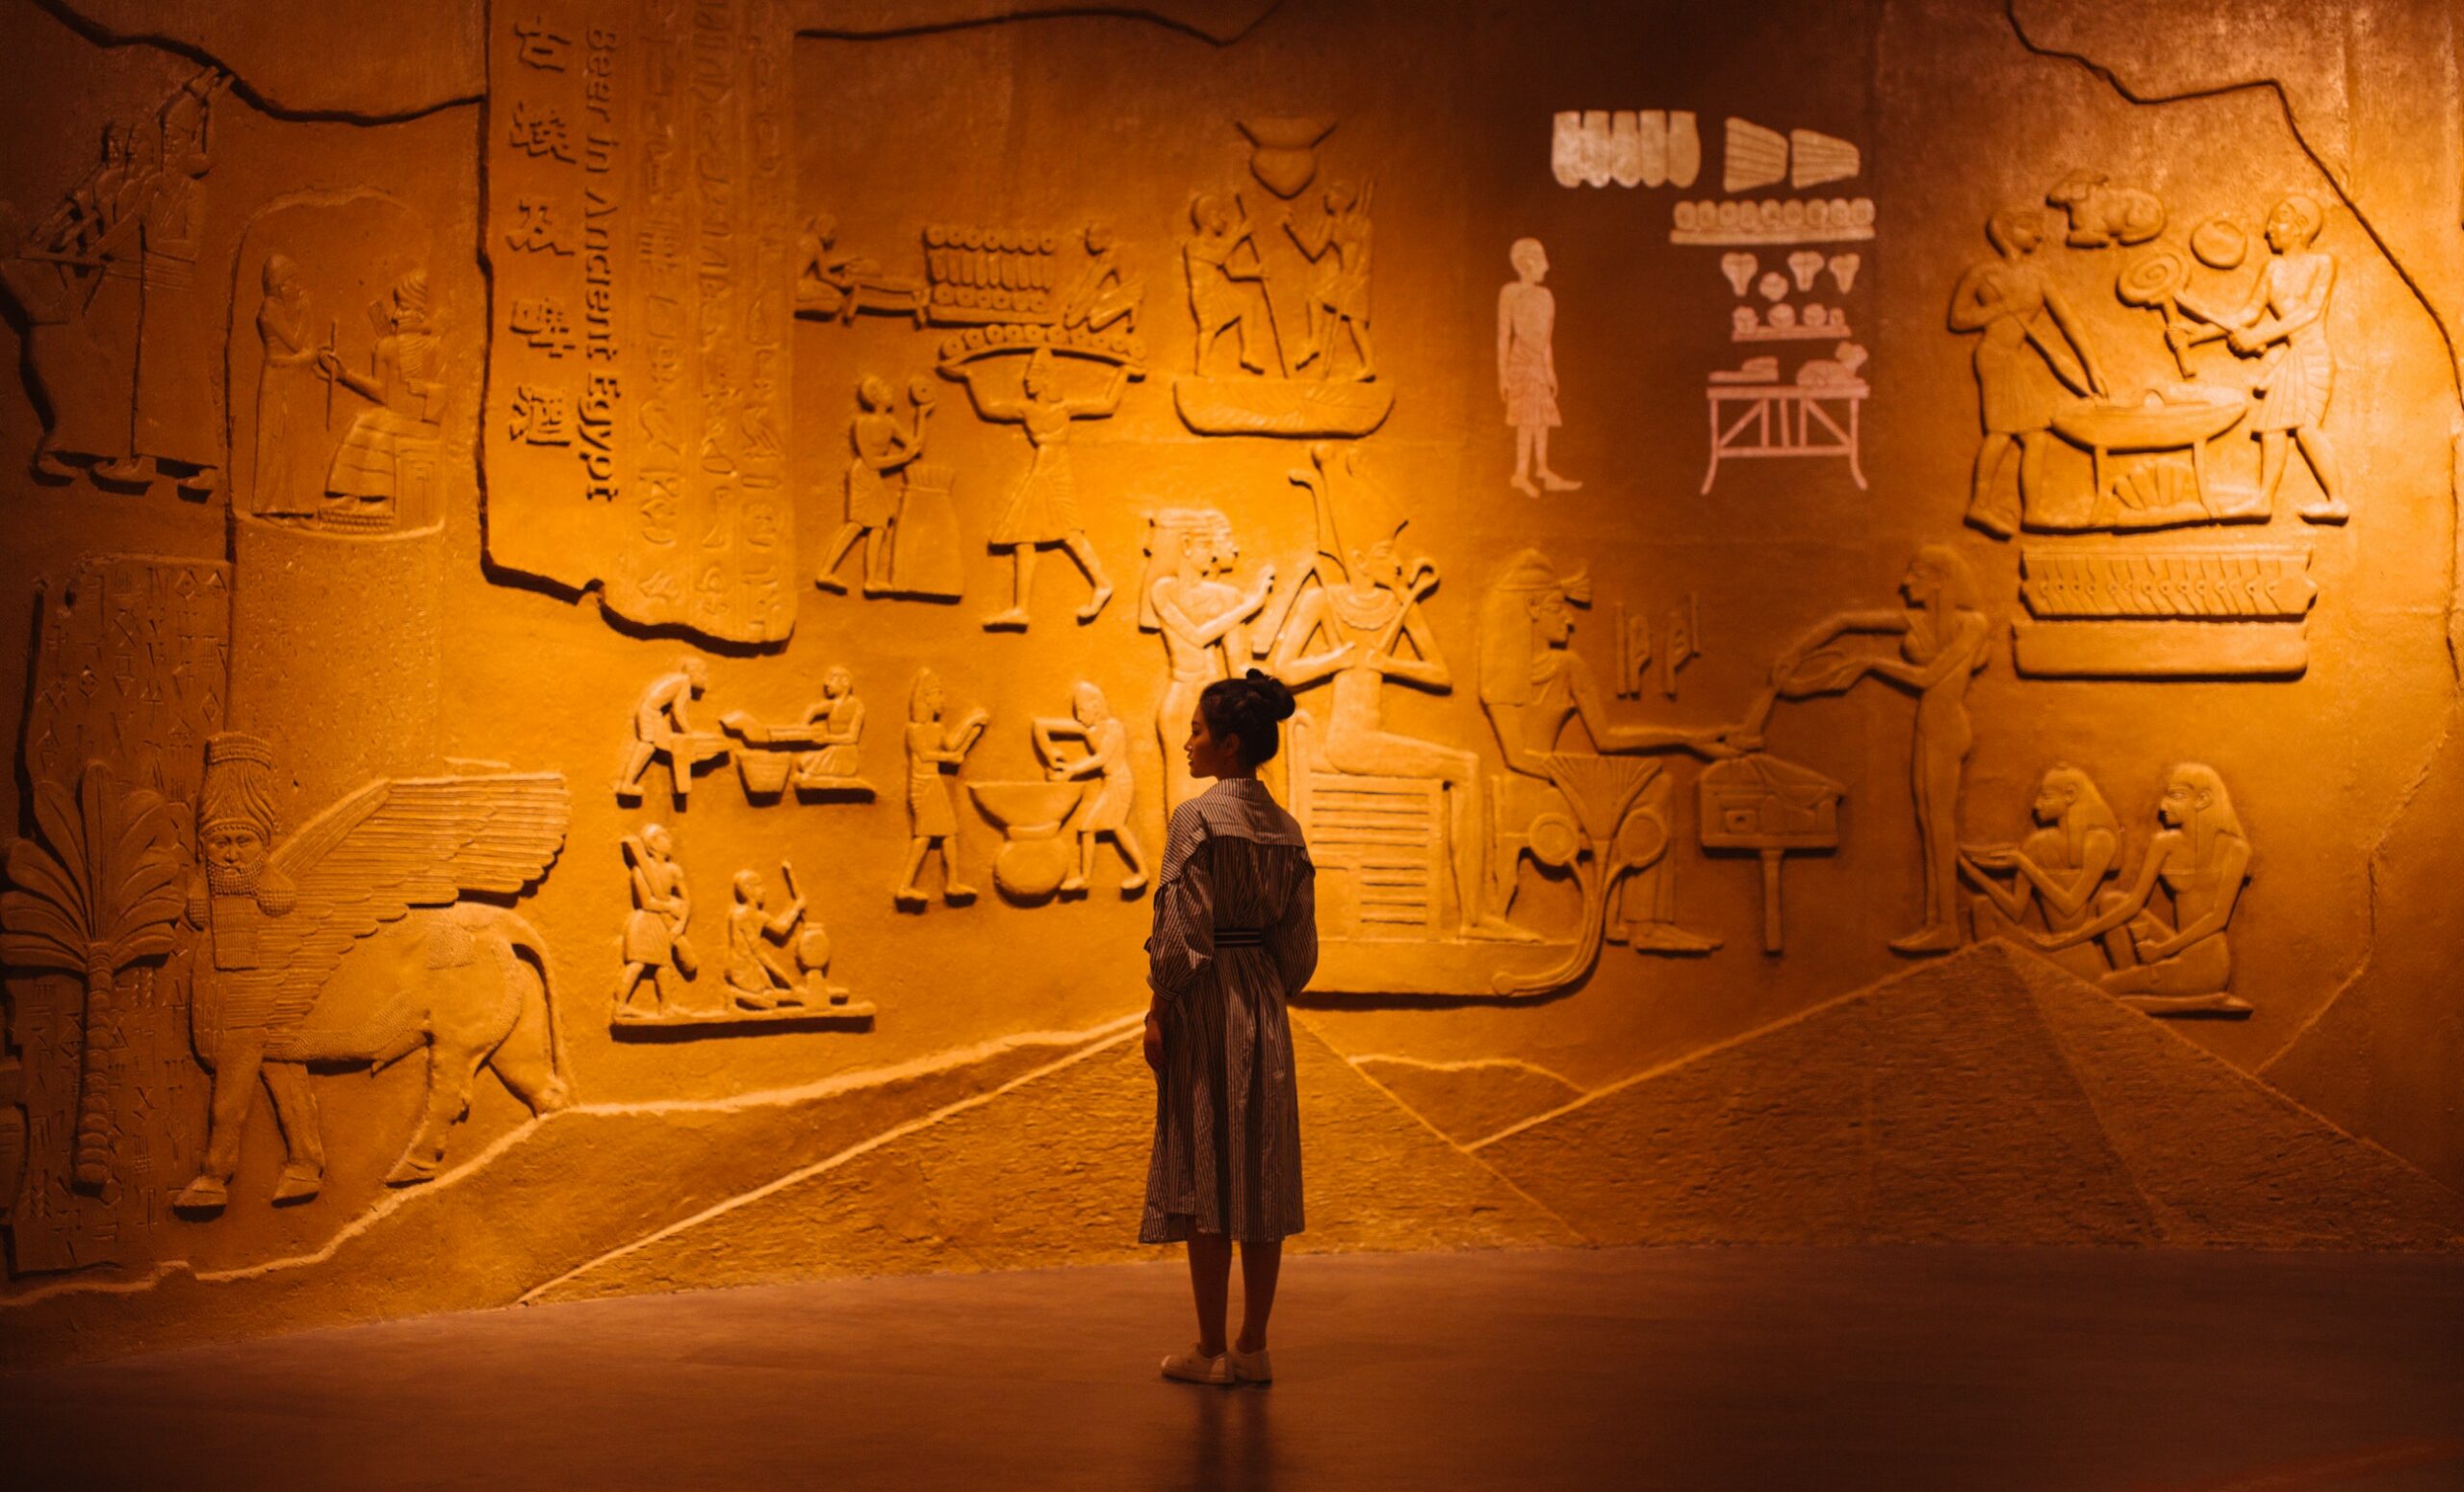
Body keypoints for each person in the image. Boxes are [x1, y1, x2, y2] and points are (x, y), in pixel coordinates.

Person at [1143, 669, 1316, 1388]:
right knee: (1263, 1170)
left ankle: (1210, 1346)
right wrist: (1266, 983)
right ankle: (1253, 1345)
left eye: (1197, 730)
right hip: (1264, 1005)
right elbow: (1300, 950)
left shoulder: (1197, 818)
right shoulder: (1287, 828)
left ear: (1230, 743)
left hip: (1208, 1001)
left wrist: (1160, 1007)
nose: (1187, 743)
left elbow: (1180, 933)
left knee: (1207, 1167)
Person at [1774, 546, 1992, 954]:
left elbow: (1929, 677)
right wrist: (1797, 652)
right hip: (1928, 725)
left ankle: (1946, 926)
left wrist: (1871, 664)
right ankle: (1937, 922)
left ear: (1941, 579)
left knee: (1940, 826)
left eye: (1916, 574)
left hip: (1947, 727)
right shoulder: (1923, 622)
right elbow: (1846, 620)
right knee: (1929, 824)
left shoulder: (1973, 624)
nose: (1905, 583)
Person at [2027, 763, 2253, 1016]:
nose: (2162, 806)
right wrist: (2074, 937)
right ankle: (2136, 980)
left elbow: (2218, 917)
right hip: (2171, 951)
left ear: (2203, 799)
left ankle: (2199, 1000)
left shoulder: (2235, 849)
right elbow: (2133, 903)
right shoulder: (2164, 844)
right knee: (2112, 901)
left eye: (2174, 796)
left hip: (2205, 962)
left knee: (2102, 989)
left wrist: (2163, 950)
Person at [1946, 207, 2106, 537]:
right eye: (2030, 227)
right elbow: (1958, 319)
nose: (2039, 234)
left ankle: (2031, 511)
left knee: (2033, 436)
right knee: (2002, 433)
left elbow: (2069, 322)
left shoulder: (2038, 277)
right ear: (2006, 230)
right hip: (1995, 357)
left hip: (2015, 359)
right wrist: (2000, 308)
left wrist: (2092, 366)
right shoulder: (1984, 274)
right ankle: (1980, 504)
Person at [2209, 194, 2343, 522]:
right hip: (2291, 358)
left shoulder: (2321, 263)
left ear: (2300, 227)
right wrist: (2197, 332)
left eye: (2278, 220)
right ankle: (2264, 500)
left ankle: (2337, 501)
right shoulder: (2272, 269)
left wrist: (2258, 337)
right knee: (2272, 428)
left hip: (2311, 356)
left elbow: (2309, 312)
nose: (2268, 229)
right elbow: (2247, 314)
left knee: (2307, 429)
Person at [1960, 764, 2119, 942]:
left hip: (2074, 944)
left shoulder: (2100, 841)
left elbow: (2070, 906)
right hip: (2042, 944)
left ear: (2070, 795)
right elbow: (2016, 911)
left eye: (2046, 796)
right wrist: (1974, 874)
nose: (2036, 804)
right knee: (1982, 906)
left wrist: (2023, 864)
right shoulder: (2036, 843)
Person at [1033, 681, 1149, 893]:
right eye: (1077, 710)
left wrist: (1071, 771)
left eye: (1082, 709)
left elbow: (1102, 759)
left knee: (1107, 827)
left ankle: (1141, 873)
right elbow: (1040, 725)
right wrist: (1050, 755)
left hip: (1120, 783)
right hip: (1111, 783)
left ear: (1096, 705)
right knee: (1098, 828)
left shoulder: (1113, 726)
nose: (1078, 716)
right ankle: (1088, 879)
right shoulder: (1087, 728)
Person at [1497, 238, 1579, 496]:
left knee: (1541, 417)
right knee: (1525, 418)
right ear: (1528, 263)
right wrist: (1503, 376)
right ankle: (1521, 473)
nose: (1546, 266)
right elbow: (1503, 336)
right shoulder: (1510, 292)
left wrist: (1550, 370)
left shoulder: (1546, 296)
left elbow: (1546, 339)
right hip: (1520, 361)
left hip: (1538, 364)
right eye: (1541, 260)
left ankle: (1542, 469)